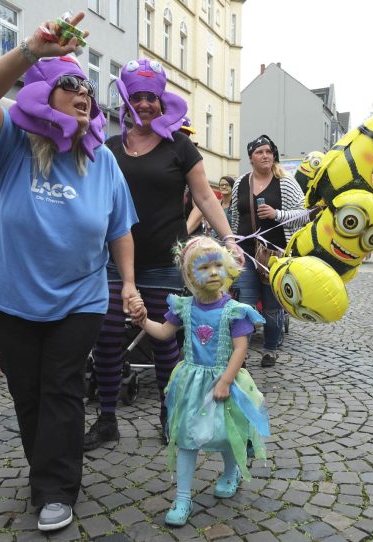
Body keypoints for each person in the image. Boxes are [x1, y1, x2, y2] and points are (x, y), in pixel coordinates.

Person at [0, 12, 141, 531]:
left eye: (88, 87)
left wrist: (128, 283)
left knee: (62, 387)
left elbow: (120, 230)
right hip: (10, 296)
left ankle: (56, 488)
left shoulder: (104, 162)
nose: (83, 93)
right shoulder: (14, 147)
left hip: (80, 297)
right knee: (28, 391)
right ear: (44, 93)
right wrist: (32, 50)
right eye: (70, 85)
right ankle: (45, 470)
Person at [84, 57, 241, 451]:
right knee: (105, 339)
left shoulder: (179, 146)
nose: (145, 105)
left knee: (164, 342)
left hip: (163, 262)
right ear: (126, 100)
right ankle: (106, 419)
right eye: (136, 97)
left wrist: (229, 239)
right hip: (114, 262)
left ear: (162, 101)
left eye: (151, 98)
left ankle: (170, 415)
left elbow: (205, 195)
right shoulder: (110, 147)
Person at [129, 236, 269, 527]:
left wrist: (226, 381)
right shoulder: (184, 307)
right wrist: (143, 321)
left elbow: (241, 348)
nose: (214, 272)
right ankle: (182, 497)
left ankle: (230, 472)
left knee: (227, 433)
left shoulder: (234, 310)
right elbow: (165, 332)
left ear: (228, 268)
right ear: (190, 274)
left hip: (225, 380)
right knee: (186, 438)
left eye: (219, 265)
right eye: (205, 267)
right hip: (192, 383)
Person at [230, 135, 313, 368]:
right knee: (243, 304)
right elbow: (236, 218)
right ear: (251, 158)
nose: (265, 155)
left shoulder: (285, 182)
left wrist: (277, 214)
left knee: (271, 307)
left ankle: (270, 348)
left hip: (275, 255)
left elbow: (304, 216)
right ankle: (241, 353)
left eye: (268, 151)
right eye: (259, 152)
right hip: (245, 252)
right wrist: (233, 244)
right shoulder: (240, 183)